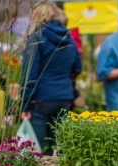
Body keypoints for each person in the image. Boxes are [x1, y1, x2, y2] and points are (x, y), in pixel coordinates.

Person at [20, 2, 81, 154]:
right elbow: (78, 67)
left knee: (36, 151)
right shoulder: (69, 38)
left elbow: (30, 76)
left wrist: (24, 105)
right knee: (59, 149)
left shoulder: (37, 37)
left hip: (40, 100)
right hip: (64, 97)